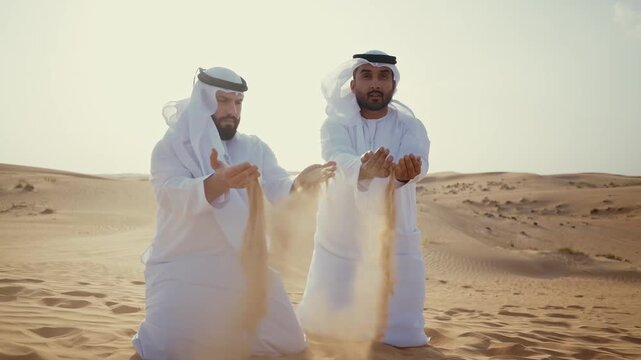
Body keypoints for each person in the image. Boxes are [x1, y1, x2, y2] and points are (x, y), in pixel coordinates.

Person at [132, 66, 335, 359]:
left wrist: (300, 185)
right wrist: (217, 183)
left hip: (244, 268)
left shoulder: (253, 146)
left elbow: (279, 187)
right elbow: (169, 195)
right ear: (203, 101)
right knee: (166, 349)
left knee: (291, 344)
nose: (232, 110)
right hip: (184, 265)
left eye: (238, 103)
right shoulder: (170, 148)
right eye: (223, 101)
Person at [297, 50, 431, 347]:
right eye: (367, 76)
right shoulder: (334, 125)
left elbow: (417, 159)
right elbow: (337, 157)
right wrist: (363, 169)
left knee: (401, 335)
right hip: (341, 234)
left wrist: (403, 174)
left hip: (395, 232)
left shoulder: (410, 125)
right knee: (328, 330)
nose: (375, 84)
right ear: (352, 84)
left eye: (383, 77)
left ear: (393, 84)